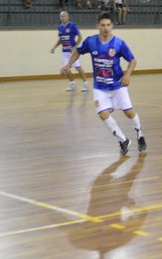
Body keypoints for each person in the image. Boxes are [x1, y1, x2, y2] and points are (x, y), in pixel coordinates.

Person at [61, 12, 147, 155]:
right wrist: (68, 65)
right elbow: (78, 51)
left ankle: (139, 133)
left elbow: (132, 60)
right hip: (100, 87)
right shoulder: (90, 41)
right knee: (102, 114)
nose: (106, 28)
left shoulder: (119, 43)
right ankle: (123, 140)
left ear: (112, 26)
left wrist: (127, 74)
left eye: (108, 25)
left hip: (118, 85)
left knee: (128, 112)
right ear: (98, 26)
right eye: (103, 25)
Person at [51, 10, 89, 92]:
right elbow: (61, 39)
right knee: (66, 68)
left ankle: (85, 84)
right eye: (62, 16)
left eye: (65, 16)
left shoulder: (73, 26)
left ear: (68, 17)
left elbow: (80, 37)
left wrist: (75, 47)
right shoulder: (60, 27)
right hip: (64, 52)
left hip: (72, 52)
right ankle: (72, 84)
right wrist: (54, 47)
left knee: (78, 67)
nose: (63, 18)